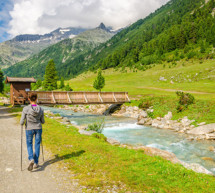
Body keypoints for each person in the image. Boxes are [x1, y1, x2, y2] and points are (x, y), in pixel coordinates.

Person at [20, 92, 45, 171]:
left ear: (29, 99)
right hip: (38, 128)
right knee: (37, 144)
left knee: (29, 144)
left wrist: (22, 123)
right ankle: (36, 163)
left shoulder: (26, 109)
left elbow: (21, 121)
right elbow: (43, 121)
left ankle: (31, 159)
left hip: (29, 129)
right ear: (36, 98)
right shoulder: (41, 109)